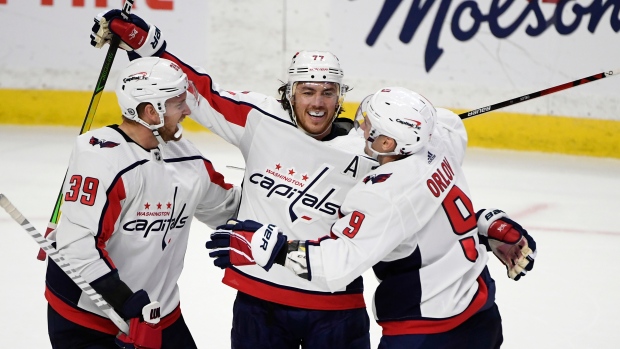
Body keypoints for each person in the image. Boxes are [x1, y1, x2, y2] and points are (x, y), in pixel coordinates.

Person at [89, 10, 379, 349]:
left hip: (336, 308)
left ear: (340, 96)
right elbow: (201, 94)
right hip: (260, 302)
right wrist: (147, 47)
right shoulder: (260, 119)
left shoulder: (369, 150)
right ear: (290, 93)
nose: (317, 103)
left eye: (328, 92)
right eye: (307, 91)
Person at [207, 87, 538, 348]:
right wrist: (484, 222)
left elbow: (338, 266)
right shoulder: (442, 140)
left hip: (426, 330)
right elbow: (446, 121)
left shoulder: (385, 195)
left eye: (369, 125)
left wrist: (273, 249)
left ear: (388, 142)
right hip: (480, 313)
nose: (359, 125)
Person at [44, 56, 241, 349]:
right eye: (178, 104)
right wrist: (124, 301)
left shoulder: (187, 159)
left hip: (157, 314)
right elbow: (78, 246)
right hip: (86, 318)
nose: (187, 110)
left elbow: (227, 208)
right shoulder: (102, 158)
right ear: (151, 112)